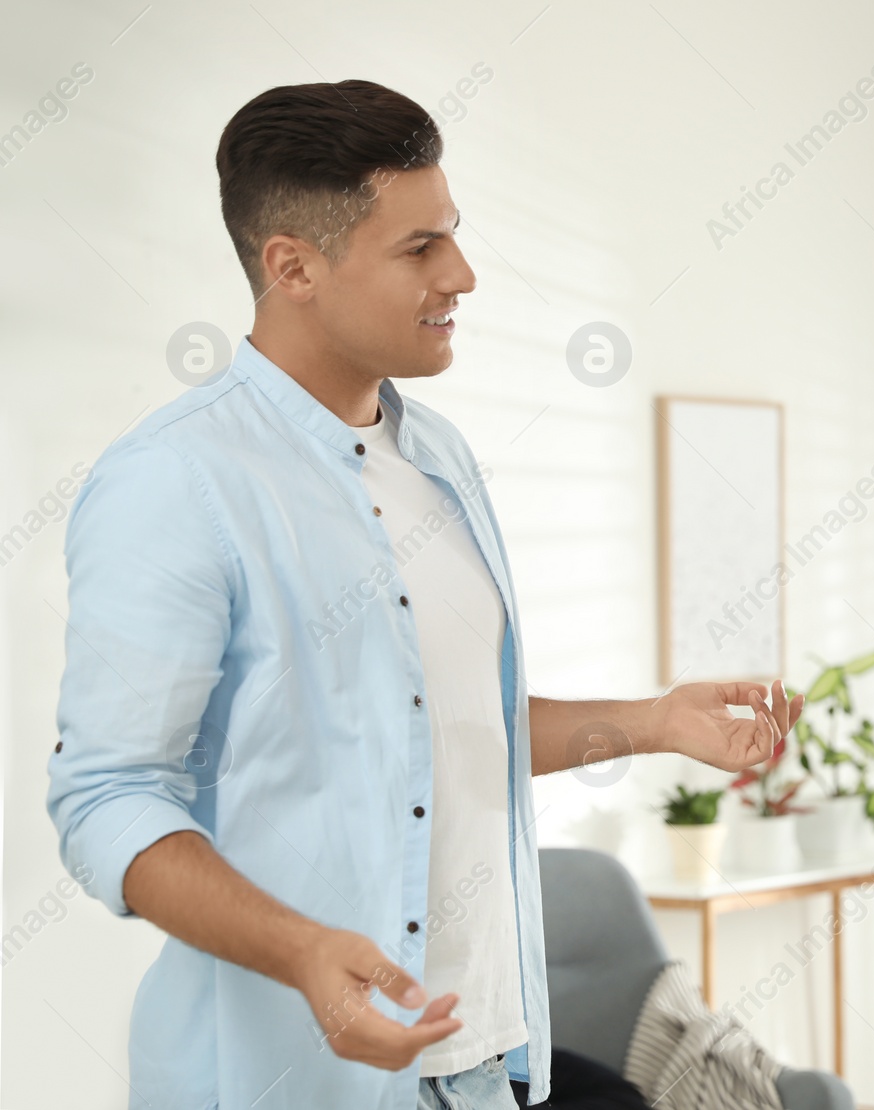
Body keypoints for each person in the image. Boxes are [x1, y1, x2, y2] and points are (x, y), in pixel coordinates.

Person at [45, 78, 802, 1110]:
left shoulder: (438, 459)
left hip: (485, 1070)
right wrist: (304, 951)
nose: (463, 274)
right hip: (290, 1082)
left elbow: (440, 731)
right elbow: (107, 798)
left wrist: (654, 722)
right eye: (419, 249)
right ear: (293, 267)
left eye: (452, 235)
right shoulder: (176, 482)